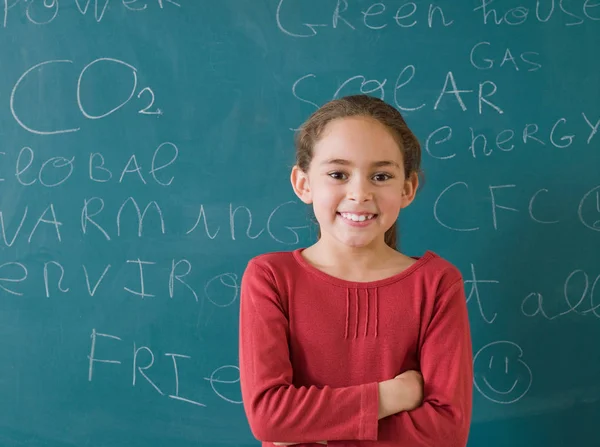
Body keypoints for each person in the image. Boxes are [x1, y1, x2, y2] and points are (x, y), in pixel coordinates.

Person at [238, 94, 473, 446]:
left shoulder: (436, 284)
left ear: (407, 188)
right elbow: (270, 417)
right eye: (337, 174)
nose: (359, 193)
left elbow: (446, 431)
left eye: (380, 175)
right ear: (303, 184)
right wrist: (391, 396)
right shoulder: (271, 278)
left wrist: (311, 429)